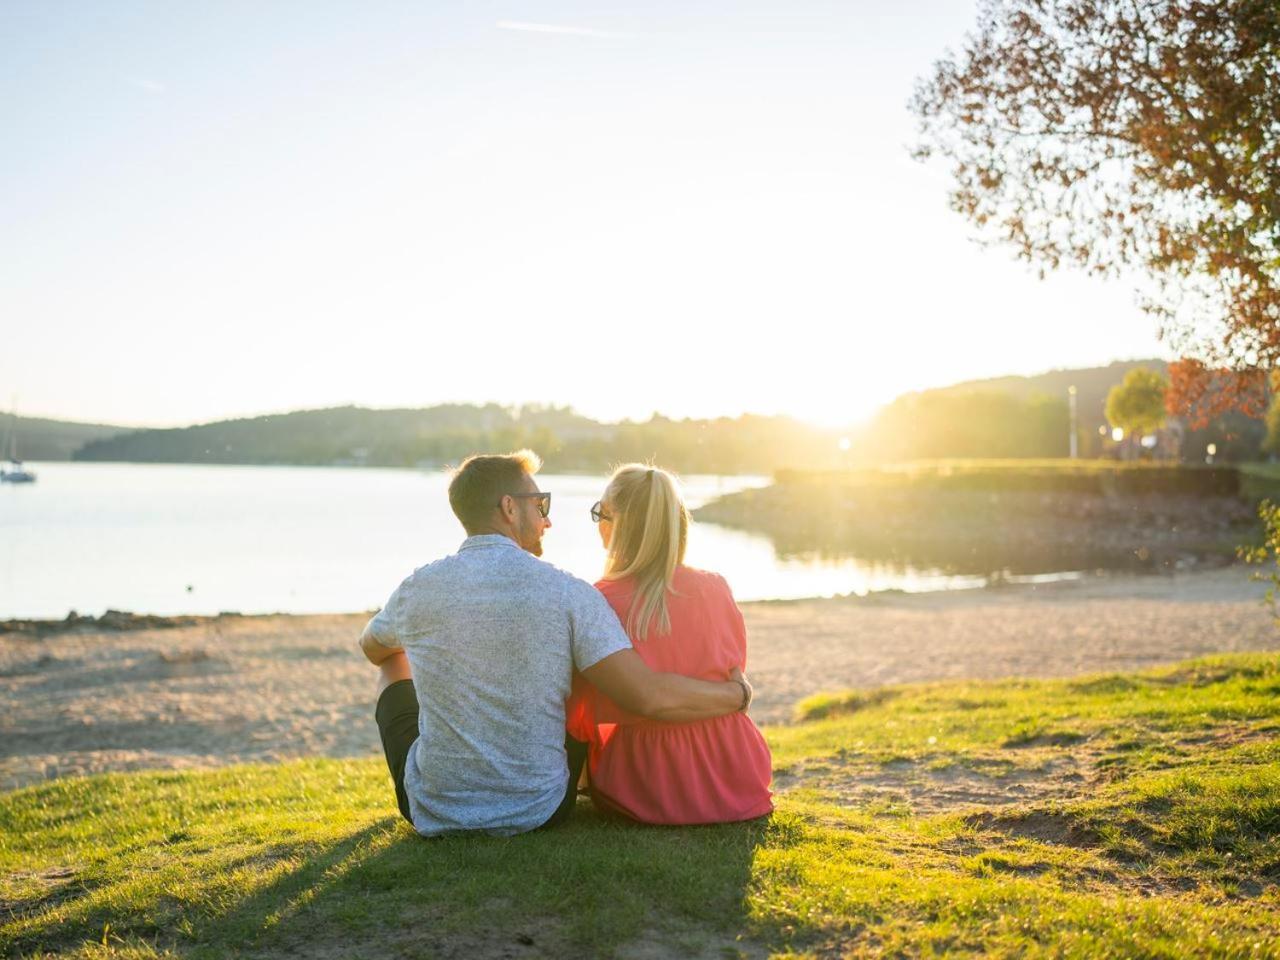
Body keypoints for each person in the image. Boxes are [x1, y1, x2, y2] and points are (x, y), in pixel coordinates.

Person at [360, 450, 753, 837]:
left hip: (435, 807)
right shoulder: (570, 592)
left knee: (392, 663)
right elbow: (644, 694)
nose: (547, 520)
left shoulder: (418, 587)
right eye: (540, 504)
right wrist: (736, 695)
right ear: (509, 508)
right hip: (540, 807)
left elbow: (372, 647)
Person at [566, 464, 773, 824]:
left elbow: (581, 712)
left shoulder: (602, 600)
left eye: (601, 513)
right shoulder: (716, 587)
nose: (599, 524)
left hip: (648, 778)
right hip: (736, 770)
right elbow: (732, 671)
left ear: (617, 523)